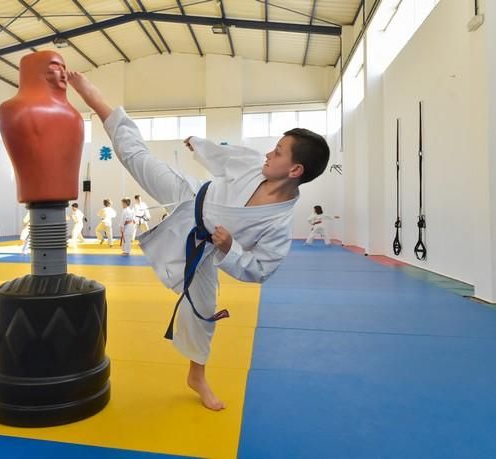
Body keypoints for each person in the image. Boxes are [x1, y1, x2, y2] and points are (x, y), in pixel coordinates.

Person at [68, 71, 330, 411]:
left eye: (278, 152)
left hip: (206, 249)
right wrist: (200, 146)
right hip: (188, 195)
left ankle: (197, 376)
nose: (269, 153)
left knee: (203, 312)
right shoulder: (256, 165)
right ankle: (95, 99)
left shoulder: (278, 223)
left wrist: (229, 249)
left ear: (295, 170)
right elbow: (227, 159)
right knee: (137, 157)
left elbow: (262, 269)